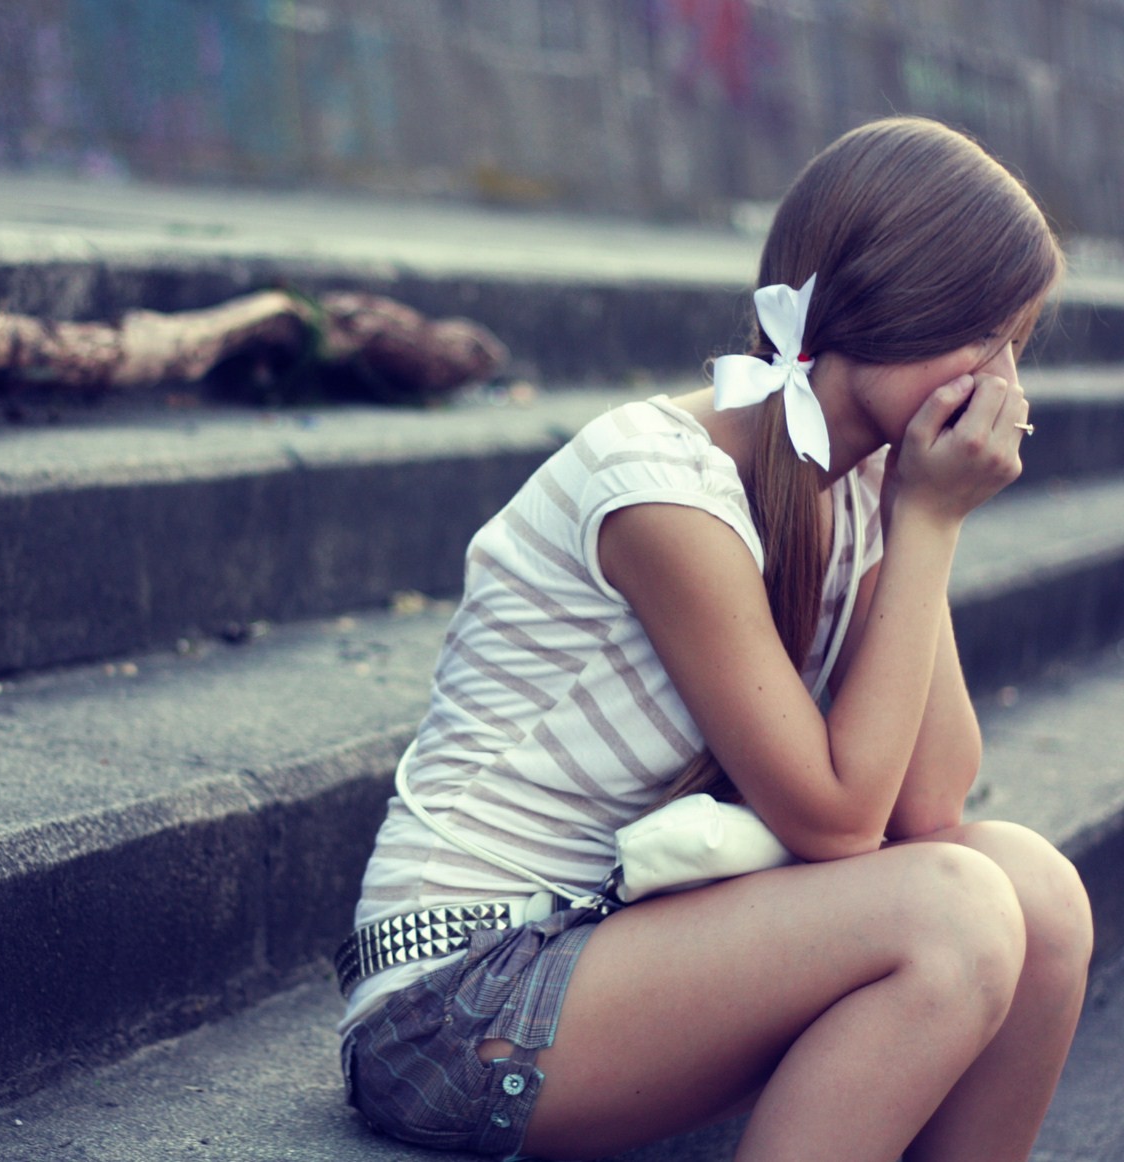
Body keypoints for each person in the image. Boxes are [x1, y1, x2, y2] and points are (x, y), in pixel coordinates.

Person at [334, 116, 1093, 1162]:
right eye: (990, 340)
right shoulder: (657, 484)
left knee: (1035, 890)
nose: (1004, 384)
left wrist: (919, 521)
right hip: (456, 1000)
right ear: (896, 309)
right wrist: (926, 521)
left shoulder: (862, 485)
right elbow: (836, 822)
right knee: (952, 914)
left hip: (620, 947)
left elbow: (928, 804)